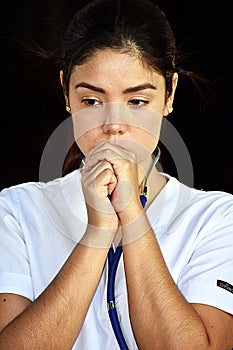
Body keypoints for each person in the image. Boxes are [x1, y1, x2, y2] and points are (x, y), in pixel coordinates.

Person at [0, 0, 233, 349]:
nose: (113, 127)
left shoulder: (216, 217)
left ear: (169, 94)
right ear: (66, 92)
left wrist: (132, 215)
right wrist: (99, 230)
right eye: (92, 101)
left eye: (137, 101)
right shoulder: (17, 209)